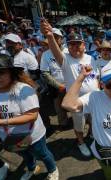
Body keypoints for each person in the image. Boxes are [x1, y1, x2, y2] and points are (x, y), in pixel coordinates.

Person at [0, 54, 58, 180]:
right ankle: (32, 168)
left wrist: (1, 122)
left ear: (11, 73)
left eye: (0, 73)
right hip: (10, 138)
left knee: (43, 154)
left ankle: (52, 169)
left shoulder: (23, 90)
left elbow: (32, 115)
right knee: (25, 156)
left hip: (32, 136)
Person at [41, 19, 99, 157]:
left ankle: (90, 135)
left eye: (78, 44)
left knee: (93, 120)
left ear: (84, 45)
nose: (75, 47)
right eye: (71, 45)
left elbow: (97, 76)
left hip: (94, 99)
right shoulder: (65, 59)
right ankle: (80, 142)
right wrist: (50, 36)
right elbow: (55, 51)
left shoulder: (91, 59)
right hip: (76, 101)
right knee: (79, 124)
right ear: (67, 47)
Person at [40, 28, 69, 129]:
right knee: (59, 107)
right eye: (52, 37)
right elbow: (45, 73)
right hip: (56, 87)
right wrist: (59, 85)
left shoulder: (69, 51)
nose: (55, 39)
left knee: (75, 105)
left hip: (72, 85)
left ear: (61, 38)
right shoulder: (46, 54)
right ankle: (63, 124)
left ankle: (78, 123)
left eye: (57, 37)